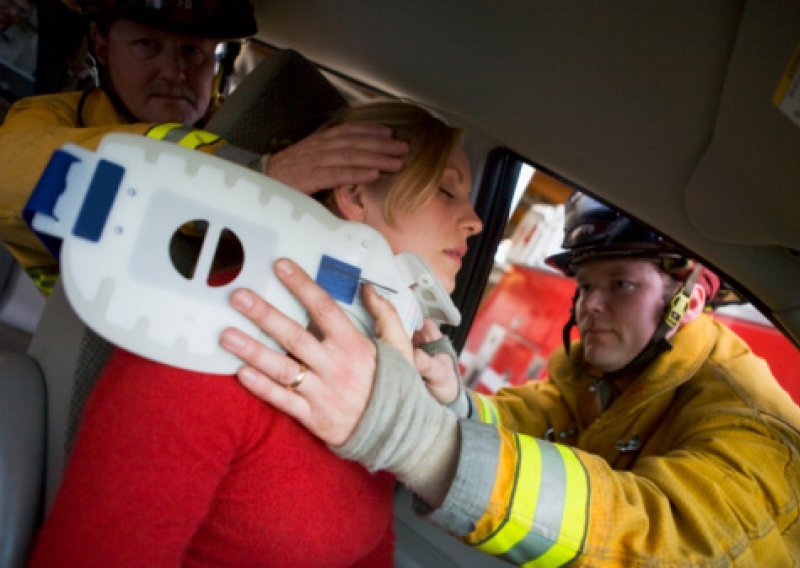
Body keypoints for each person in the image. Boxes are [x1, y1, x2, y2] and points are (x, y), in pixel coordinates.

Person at [221, 192, 800, 565]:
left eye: (619, 284)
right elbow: (532, 418)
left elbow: (661, 535)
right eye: (585, 286)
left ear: (691, 299)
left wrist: (420, 439)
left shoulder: (752, 426)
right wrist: (453, 404)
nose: (589, 306)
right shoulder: (605, 375)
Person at [29, 101, 483, 566]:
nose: (476, 222)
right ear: (356, 194)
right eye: (447, 192)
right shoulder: (205, 350)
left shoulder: (374, 395)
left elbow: (371, 550)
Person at [0, 0, 408, 293]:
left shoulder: (261, 137)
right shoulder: (48, 118)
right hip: (85, 345)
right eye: (147, 45)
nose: (175, 71)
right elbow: (14, 175)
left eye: (193, 51)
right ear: (102, 48)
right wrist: (252, 180)